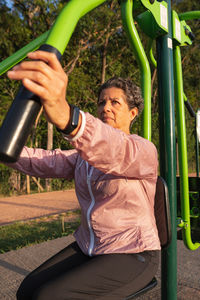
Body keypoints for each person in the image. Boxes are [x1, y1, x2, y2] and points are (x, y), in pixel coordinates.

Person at [5, 50, 160, 300]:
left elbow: (112, 149)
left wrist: (70, 119)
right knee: (27, 290)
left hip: (133, 253)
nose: (105, 107)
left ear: (133, 113)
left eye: (114, 102)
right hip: (92, 246)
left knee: (48, 297)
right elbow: (43, 161)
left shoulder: (142, 151)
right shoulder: (82, 157)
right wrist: (6, 148)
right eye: (101, 102)